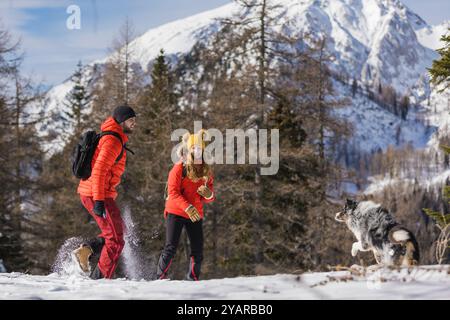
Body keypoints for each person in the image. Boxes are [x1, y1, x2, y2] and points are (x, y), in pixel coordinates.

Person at [74, 105, 136, 279]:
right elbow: (99, 170)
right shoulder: (112, 141)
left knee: (117, 232)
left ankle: (86, 250)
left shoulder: (114, 137)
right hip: (97, 194)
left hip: (95, 193)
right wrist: (99, 200)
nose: (134, 124)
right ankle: (100, 281)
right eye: (131, 120)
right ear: (122, 121)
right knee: (116, 240)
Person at [156, 130, 215, 281]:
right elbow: (173, 193)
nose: (198, 151)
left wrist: (208, 194)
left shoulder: (206, 171)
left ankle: (193, 279)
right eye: (194, 148)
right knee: (171, 247)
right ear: (189, 150)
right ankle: (160, 278)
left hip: (195, 213)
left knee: (198, 250)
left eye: (200, 148)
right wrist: (187, 207)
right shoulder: (179, 168)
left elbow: (208, 197)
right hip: (176, 211)